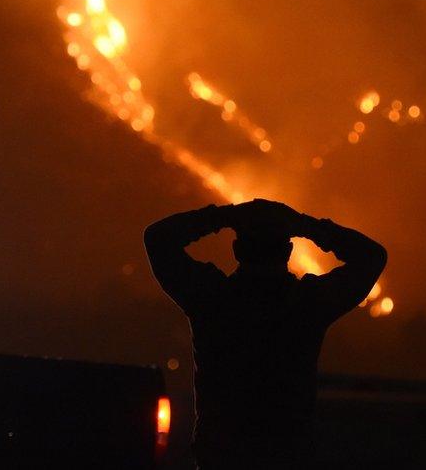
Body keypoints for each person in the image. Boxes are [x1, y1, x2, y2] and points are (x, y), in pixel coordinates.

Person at [144, 199, 387, 469]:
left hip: (223, 459)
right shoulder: (307, 304)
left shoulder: (213, 298)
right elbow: (372, 257)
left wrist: (225, 216)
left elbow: (158, 238)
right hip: (287, 456)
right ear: (288, 250)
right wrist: (305, 224)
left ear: (237, 249)